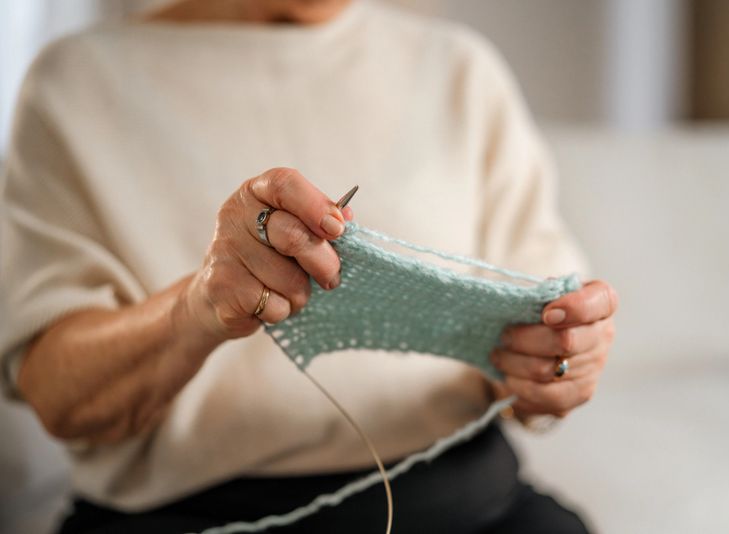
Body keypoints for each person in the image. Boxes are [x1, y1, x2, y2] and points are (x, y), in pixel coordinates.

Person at [0, 0, 618, 532]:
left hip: (472, 506)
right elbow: (60, 397)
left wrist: (554, 367)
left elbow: (539, 358)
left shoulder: (459, 70)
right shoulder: (76, 84)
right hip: (190, 520)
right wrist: (198, 307)